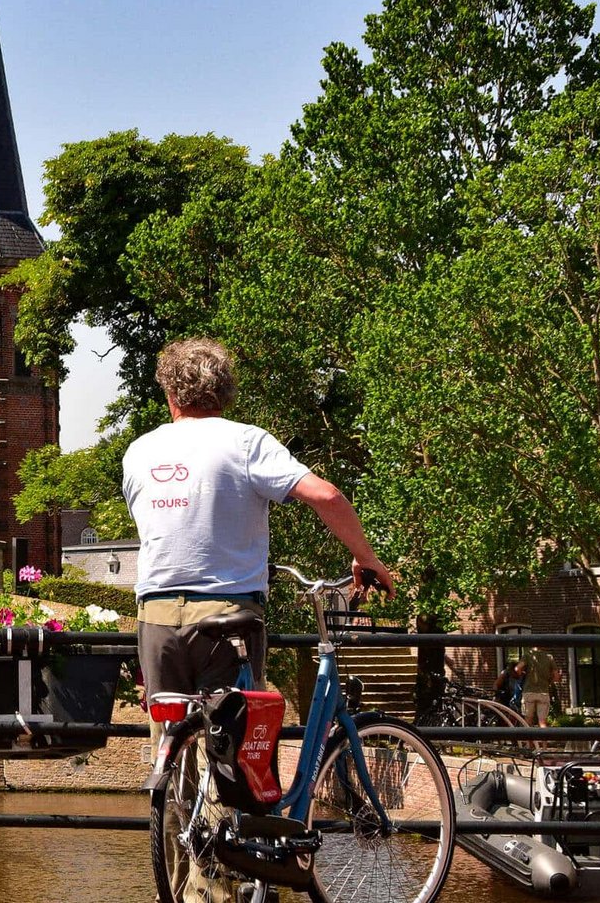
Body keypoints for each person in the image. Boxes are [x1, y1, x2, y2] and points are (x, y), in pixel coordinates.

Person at [125, 338, 394, 903]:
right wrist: (366, 559)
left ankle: (176, 888)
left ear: (170, 395)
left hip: (156, 620)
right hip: (226, 620)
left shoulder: (139, 452)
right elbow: (326, 494)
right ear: (225, 393)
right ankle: (220, 893)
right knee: (229, 763)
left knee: (173, 764)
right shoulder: (244, 441)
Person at [520, 646, 562, 726]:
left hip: (529, 692)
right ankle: (543, 734)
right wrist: (549, 682)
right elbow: (556, 677)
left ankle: (527, 734)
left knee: (527, 721)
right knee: (542, 722)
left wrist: (521, 676)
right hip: (543, 692)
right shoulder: (549, 657)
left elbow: (517, 669)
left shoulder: (527, 655)